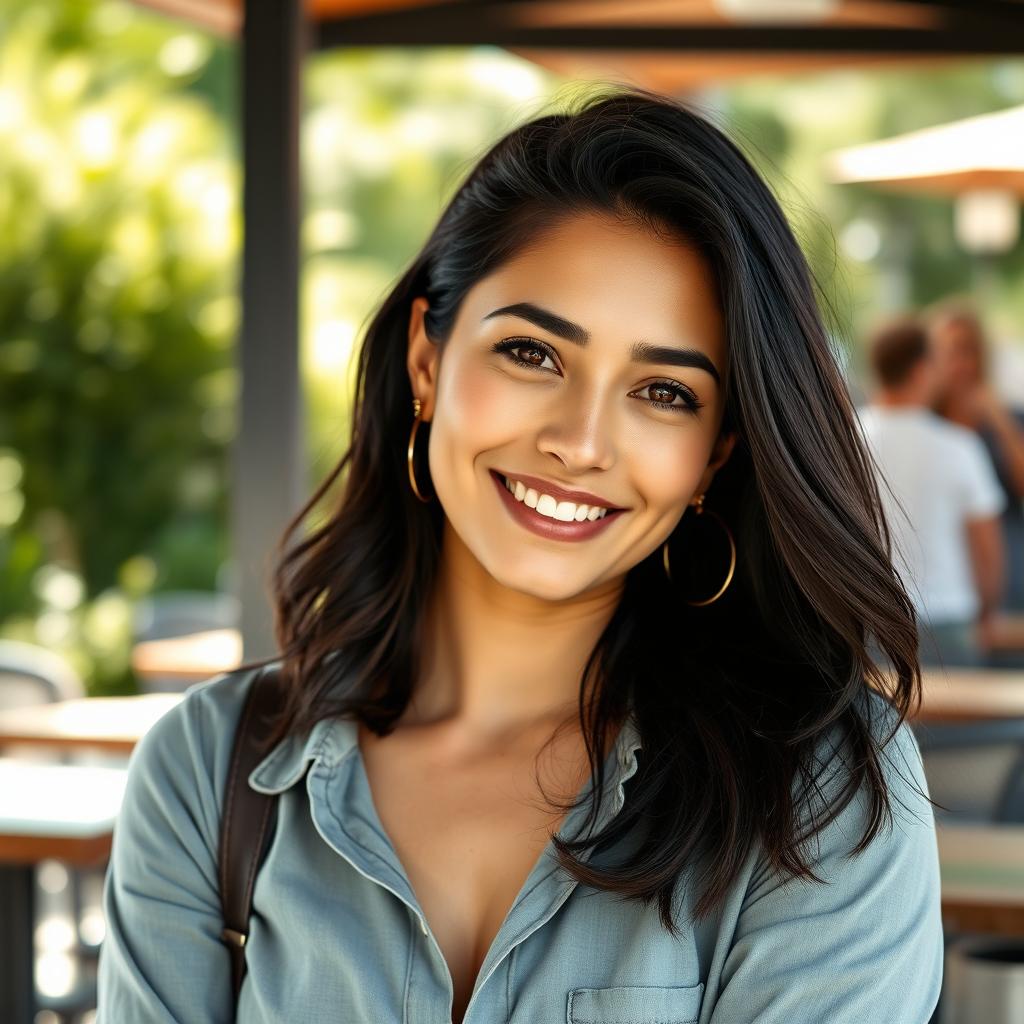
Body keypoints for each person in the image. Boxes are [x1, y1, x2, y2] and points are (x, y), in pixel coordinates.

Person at [97, 87, 943, 1024]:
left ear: (717, 455)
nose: (582, 441)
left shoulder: (820, 793)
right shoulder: (208, 775)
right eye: (534, 354)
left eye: (663, 391)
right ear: (428, 360)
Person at [856, 318, 1006, 669]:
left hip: (866, 615)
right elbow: (987, 551)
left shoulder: (841, 439)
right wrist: (986, 614)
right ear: (921, 369)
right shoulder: (960, 447)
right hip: (949, 621)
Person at [927, 299, 1024, 615]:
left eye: (967, 350)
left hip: (1007, 557)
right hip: (940, 560)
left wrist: (1000, 422)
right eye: (948, 351)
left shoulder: (1006, 417)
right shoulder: (924, 421)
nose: (959, 363)